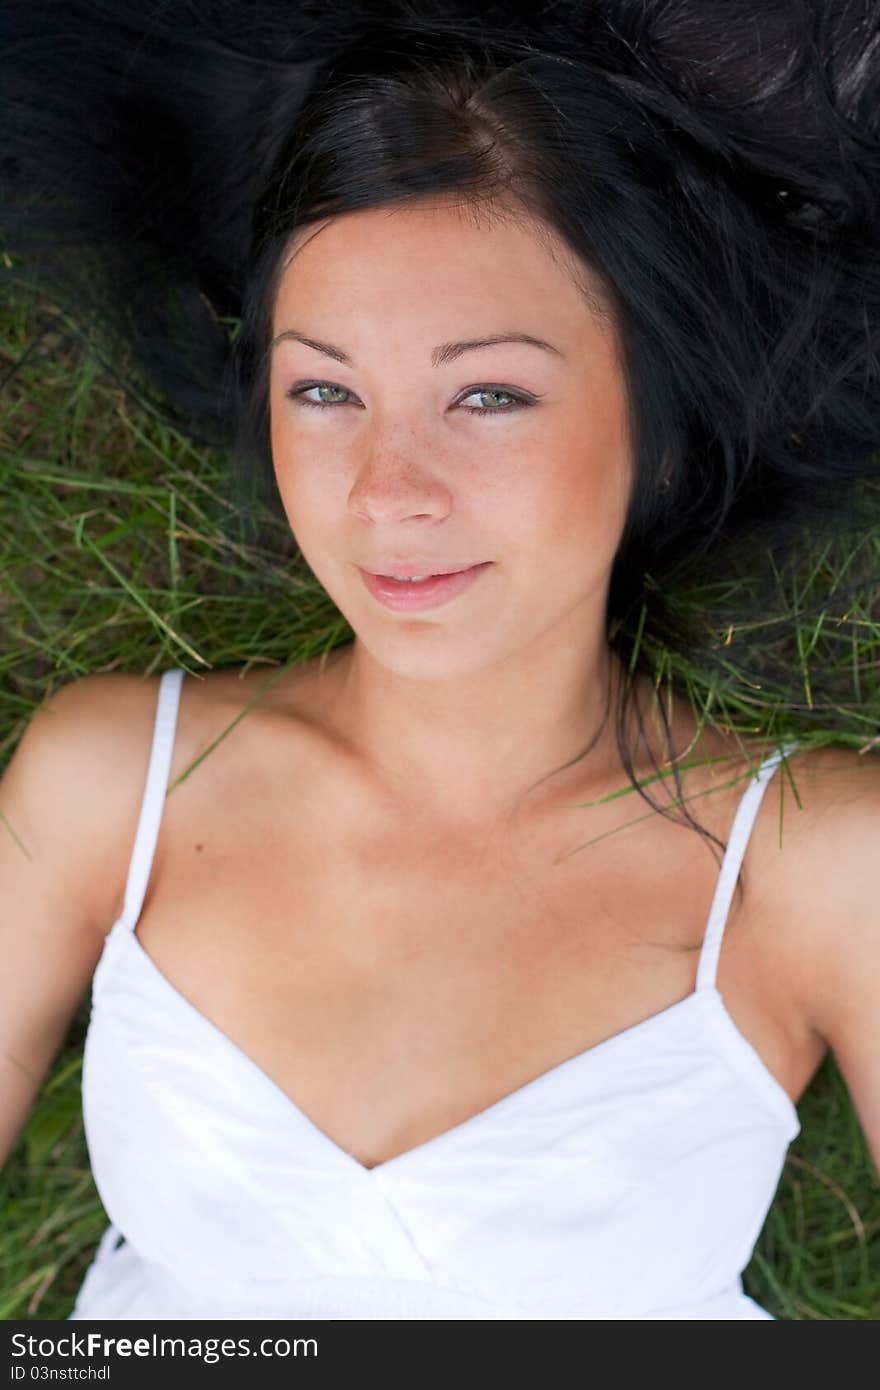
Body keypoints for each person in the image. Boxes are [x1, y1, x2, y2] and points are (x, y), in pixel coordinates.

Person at [1, 0, 879, 1320]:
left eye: (487, 394)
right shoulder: (109, 783)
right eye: (324, 390)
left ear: (661, 416)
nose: (387, 490)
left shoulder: (808, 868)